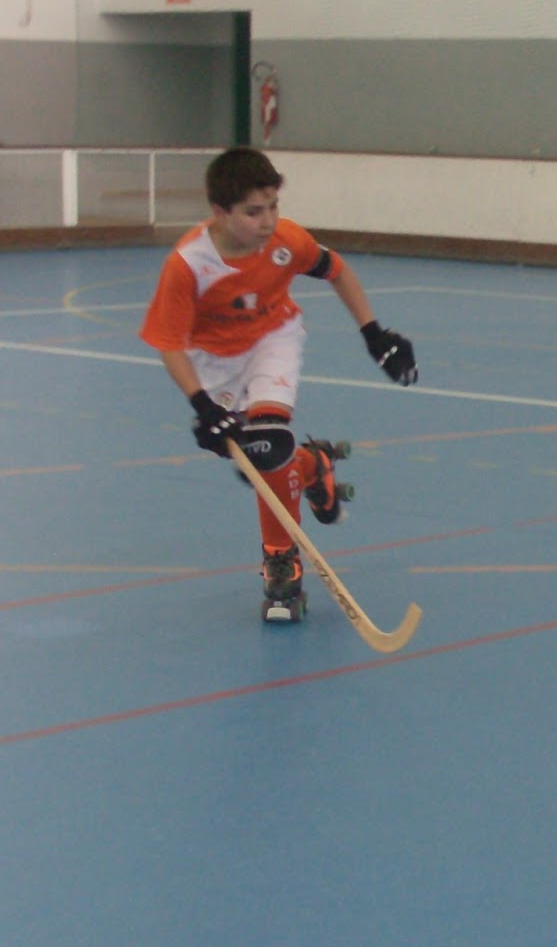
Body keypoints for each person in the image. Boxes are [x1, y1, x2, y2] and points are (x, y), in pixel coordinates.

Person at [139, 147, 419, 621]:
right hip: (214, 361)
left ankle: (280, 563)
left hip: (273, 339)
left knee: (267, 446)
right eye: (253, 212)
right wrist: (204, 406)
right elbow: (170, 344)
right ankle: (312, 466)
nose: (267, 221)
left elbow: (336, 270)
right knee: (258, 457)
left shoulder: (286, 241)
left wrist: (375, 334)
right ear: (219, 212)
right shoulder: (188, 265)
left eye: (273, 206)